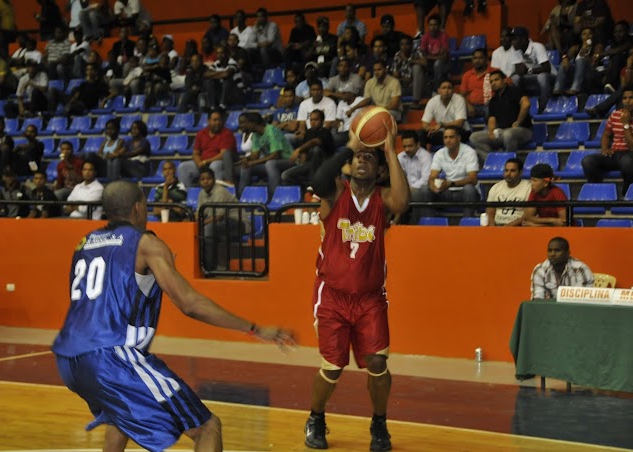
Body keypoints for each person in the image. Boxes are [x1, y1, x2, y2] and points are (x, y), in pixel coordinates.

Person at [51, 178, 293, 451]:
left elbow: (111, 290)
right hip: (112, 356)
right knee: (207, 427)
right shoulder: (146, 244)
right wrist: (256, 328)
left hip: (68, 358)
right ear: (139, 208)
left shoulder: (85, 244)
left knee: (121, 418)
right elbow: (189, 303)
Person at [304, 123, 408, 451]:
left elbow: (403, 202)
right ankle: (316, 417)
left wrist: (389, 150)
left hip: (370, 298)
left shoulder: (383, 199)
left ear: (378, 172)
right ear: (349, 166)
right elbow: (319, 179)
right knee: (332, 368)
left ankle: (379, 423)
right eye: (358, 158)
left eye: (370, 158)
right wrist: (351, 146)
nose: (363, 161)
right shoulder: (335, 194)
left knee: (378, 362)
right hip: (332, 296)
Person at [469, 69, 532, 161]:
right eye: (491, 81)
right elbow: (492, 119)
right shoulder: (493, 100)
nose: (493, 83)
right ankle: (493, 161)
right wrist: (491, 131)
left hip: (523, 130)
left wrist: (518, 122)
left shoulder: (514, 91)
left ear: (504, 80)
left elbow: (526, 104)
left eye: (496, 80)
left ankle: (509, 162)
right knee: (475, 137)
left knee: (508, 134)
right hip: (501, 132)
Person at [581, 86, 633, 197]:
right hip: (615, 154)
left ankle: (627, 194)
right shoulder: (615, 115)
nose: (627, 101)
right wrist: (605, 148)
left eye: (631, 98)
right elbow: (606, 135)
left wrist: (625, 124)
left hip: (630, 154)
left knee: (628, 163)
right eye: (624, 98)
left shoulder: (624, 119)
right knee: (587, 161)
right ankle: (598, 192)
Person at [424, 126, 480, 218]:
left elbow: (473, 179)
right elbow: (432, 177)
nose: (448, 140)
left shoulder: (469, 152)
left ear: (458, 138)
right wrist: (432, 185)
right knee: (424, 190)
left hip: (465, 191)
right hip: (447, 192)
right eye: (445, 137)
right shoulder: (439, 153)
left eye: (451, 137)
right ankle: (429, 225)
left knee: (469, 189)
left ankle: (467, 226)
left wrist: (450, 184)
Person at [179, 109, 236, 188]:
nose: (217, 122)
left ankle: (216, 194)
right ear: (208, 121)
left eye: (219, 120)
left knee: (215, 165)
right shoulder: (201, 133)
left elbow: (223, 155)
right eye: (215, 120)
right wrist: (199, 163)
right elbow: (195, 153)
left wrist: (206, 161)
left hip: (219, 163)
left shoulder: (227, 133)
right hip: (203, 164)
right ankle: (188, 194)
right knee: (183, 167)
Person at [420, 79, 469, 147]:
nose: (446, 90)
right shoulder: (432, 101)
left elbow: (459, 123)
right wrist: (429, 128)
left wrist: (442, 125)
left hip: (459, 131)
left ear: (453, 90)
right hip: (442, 132)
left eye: (449, 88)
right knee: (422, 134)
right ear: (439, 90)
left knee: (452, 136)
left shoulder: (459, 99)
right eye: (444, 88)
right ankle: (423, 156)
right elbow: (424, 123)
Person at [397, 130, 431, 224]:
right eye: (404, 146)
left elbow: (426, 179)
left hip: (420, 190)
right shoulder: (400, 157)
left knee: (418, 192)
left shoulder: (425, 156)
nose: (407, 149)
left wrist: (410, 189)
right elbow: (399, 177)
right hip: (405, 190)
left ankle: (414, 223)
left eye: (410, 146)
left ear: (418, 144)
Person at [485, 158, 531, 226]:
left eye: (512, 171)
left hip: (518, 227)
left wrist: (507, 227)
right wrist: (493, 228)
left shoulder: (528, 188)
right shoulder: (496, 187)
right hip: (497, 226)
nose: (508, 174)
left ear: (520, 172)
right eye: (506, 170)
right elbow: (490, 211)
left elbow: (527, 215)